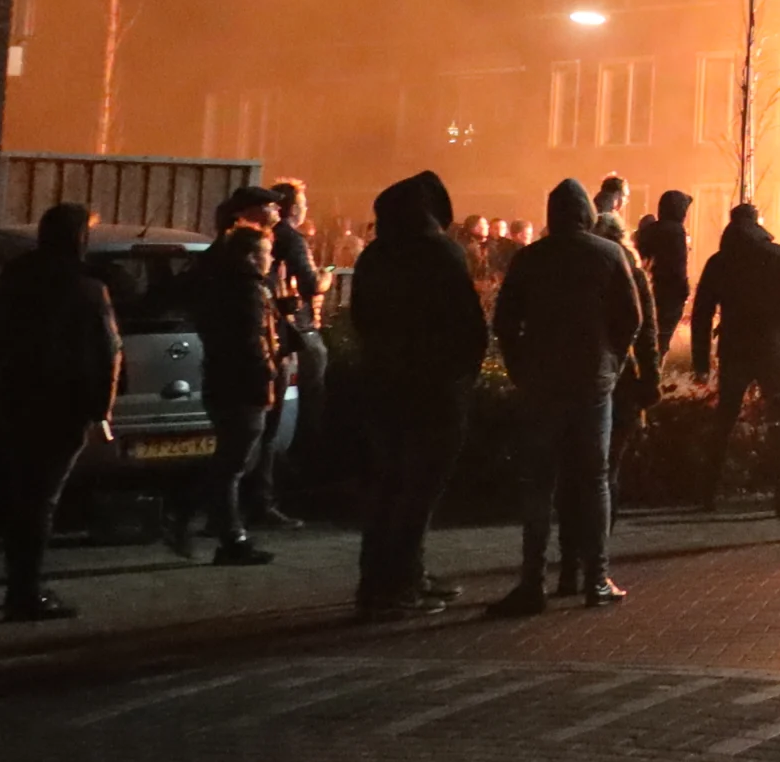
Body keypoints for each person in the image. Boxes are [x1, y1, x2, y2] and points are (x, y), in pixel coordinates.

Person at [491, 178, 645, 612]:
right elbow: (631, 318)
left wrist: (520, 366)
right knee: (593, 479)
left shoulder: (529, 258)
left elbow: (504, 321)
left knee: (540, 482)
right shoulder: (610, 254)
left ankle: (532, 582)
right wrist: (610, 362)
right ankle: (596, 579)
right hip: (593, 384)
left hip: (542, 384)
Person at [350, 171, 488, 619]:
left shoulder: (375, 255)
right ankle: (399, 586)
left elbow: (362, 320)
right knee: (419, 491)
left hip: (383, 389)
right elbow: (467, 324)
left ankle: (383, 580)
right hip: (434, 391)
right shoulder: (440, 253)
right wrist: (463, 374)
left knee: (388, 486)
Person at [0, 202, 120, 619]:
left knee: (22, 495)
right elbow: (107, 350)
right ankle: (25, 594)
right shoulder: (86, 288)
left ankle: (20, 584)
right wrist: (102, 410)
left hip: (16, 397)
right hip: (62, 403)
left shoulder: (15, 275)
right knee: (41, 499)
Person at [689, 201, 780, 516]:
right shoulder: (776, 256)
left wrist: (701, 362)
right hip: (772, 350)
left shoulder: (719, 261)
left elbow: (702, 313)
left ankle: (705, 494)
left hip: (734, 349)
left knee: (724, 422)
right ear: (758, 223)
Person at [187, 218, 283, 567]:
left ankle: (211, 524)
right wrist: (267, 378)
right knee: (233, 464)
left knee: (231, 460)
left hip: (221, 382)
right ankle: (229, 538)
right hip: (241, 387)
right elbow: (253, 343)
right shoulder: (247, 289)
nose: (270, 259)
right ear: (251, 255)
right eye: (267, 252)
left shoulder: (221, 285)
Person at [265, 178, 329, 511]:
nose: (306, 209)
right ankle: (303, 474)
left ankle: (268, 483)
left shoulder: (264, 235)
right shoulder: (292, 238)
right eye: (304, 204)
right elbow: (311, 283)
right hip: (298, 331)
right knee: (308, 402)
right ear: (293, 208)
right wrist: (328, 275)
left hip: (269, 332)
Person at [634, 189, 696, 371]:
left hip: (648, 291)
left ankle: (644, 376)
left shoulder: (650, 230)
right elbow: (678, 267)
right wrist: (684, 291)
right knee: (662, 340)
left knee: (649, 338)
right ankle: (653, 379)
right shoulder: (677, 232)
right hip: (669, 295)